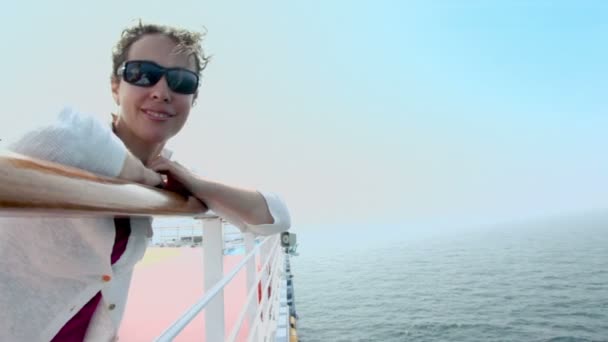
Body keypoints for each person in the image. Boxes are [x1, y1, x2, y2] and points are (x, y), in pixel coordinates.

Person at [0, 22, 291, 341]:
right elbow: (65, 127)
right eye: (142, 73)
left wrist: (196, 184)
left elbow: (275, 216)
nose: (162, 92)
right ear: (115, 86)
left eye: (181, 81)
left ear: (192, 99)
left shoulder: (168, 174)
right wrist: (143, 177)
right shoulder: (73, 147)